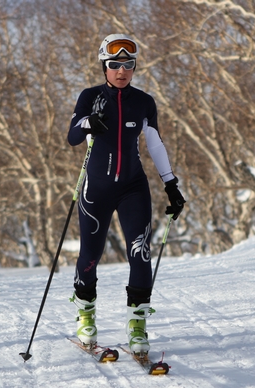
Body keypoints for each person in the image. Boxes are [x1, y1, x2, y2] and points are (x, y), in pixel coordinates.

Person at [67, 34, 185, 355]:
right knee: (90, 256)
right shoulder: (90, 96)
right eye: (115, 65)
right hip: (97, 190)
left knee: (140, 254)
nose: (122, 71)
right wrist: (91, 121)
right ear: (104, 66)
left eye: (128, 65)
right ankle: (86, 315)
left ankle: (137, 326)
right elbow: (72, 137)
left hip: (133, 188)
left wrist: (170, 184)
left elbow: (155, 144)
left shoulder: (144, 102)